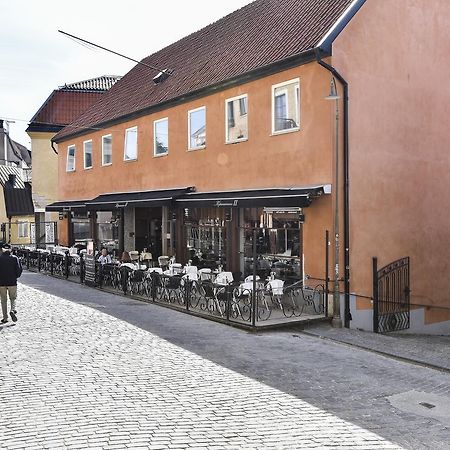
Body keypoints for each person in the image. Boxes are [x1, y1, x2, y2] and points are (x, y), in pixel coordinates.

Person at [0, 244, 22, 324]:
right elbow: (19, 270)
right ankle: (12, 310)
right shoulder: (14, 258)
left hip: (1, 283)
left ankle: (5, 318)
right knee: (13, 298)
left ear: (2, 250)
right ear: (10, 250)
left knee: (3, 300)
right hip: (12, 282)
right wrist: (15, 277)